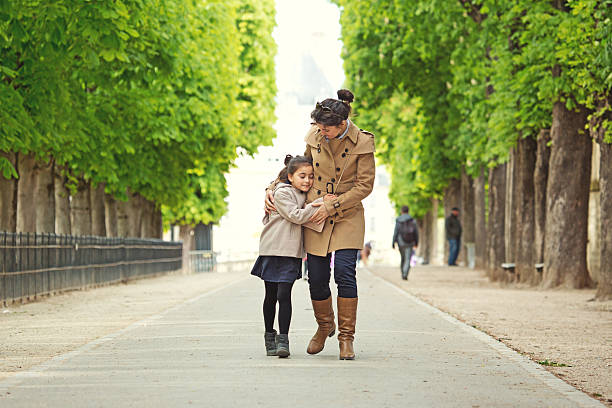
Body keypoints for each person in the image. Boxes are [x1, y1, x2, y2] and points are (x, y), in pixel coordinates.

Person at [265, 89, 375, 360]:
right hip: (315, 215)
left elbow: (365, 186)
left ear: (341, 124)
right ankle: (325, 325)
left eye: (326, 128)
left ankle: (346, 339)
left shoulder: (362, 142)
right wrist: (273, 186)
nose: (321, 132)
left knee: (345, 274)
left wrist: (332, 205)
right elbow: (298, 168)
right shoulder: (315, 136)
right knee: (316, 277)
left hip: (347, 214)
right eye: (319, 127)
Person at [251, 155, 327, 358]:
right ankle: (269, 336)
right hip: (273, 250)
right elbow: (296, 215)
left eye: (311, 177)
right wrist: (320, 203)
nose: (307, 181)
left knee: (285, 295)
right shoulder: (282, 193)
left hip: (290, 253)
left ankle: (283, 339)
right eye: (302, 176)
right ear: (290, 176)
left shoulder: (303, 193)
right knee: (271, 296)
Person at [392, 206, 418, 280]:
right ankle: (405, 273)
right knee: (407, 259)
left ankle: (403, 272)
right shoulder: (412, 220)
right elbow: (416, 232)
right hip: (410, 242)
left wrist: (393, 242)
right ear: (408, 211)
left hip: (401, 242)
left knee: (403, 258)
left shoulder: (398, 220)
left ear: (401, 211)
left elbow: (396, 232)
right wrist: (416, 242)